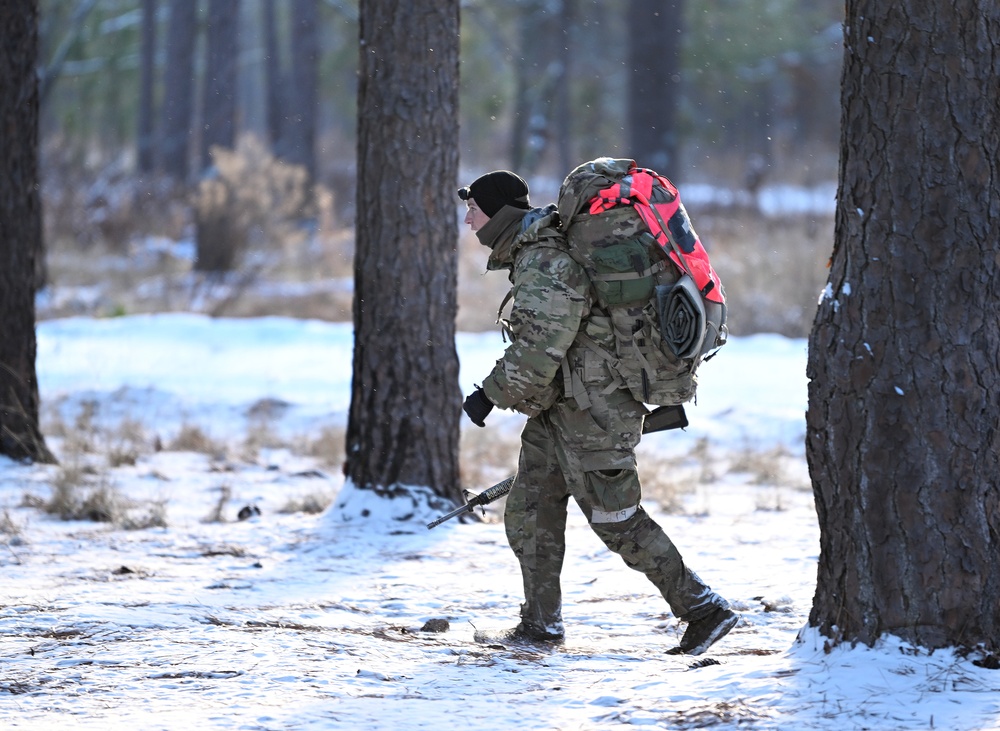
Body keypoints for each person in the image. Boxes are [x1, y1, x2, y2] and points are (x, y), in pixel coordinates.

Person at [458, 170, 739, 656]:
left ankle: (704, 609)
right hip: (562, 406)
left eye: (474, 210)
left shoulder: (543, 259)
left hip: (596, 410)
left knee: (616, 518)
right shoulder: (535, 250)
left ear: (499, 214)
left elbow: (541, 344)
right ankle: (540, 625)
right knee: (530, 511)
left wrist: (490, 394)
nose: (467, 220)